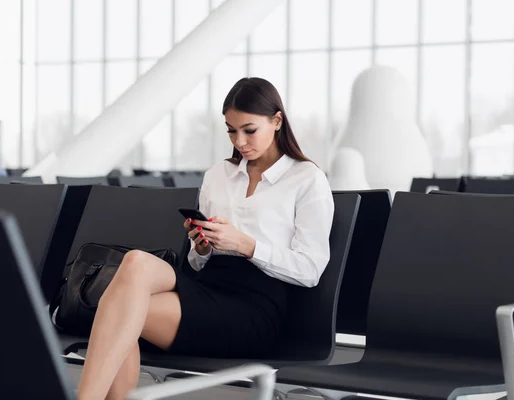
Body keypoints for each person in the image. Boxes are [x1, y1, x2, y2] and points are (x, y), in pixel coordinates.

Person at [77, 77, 335, 400]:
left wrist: (245, 245)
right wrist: (202, 248)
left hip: (254, 307)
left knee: (121, 309)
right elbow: (196, 265)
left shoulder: (306, 179)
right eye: (230, 129)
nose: (239, 141)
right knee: (134, 265)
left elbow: (310, 270)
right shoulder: (218, 176)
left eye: (249, 130)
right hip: (206, 286)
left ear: (277, 121)